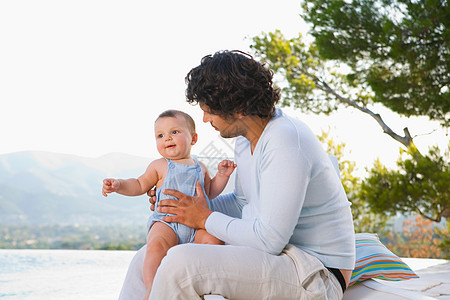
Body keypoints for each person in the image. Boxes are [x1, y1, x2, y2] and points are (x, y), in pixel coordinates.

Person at [118, 50, 355, 300]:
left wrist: (204, 216)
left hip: (316, 271)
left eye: (210, 110)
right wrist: (183, 207)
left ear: (239, 107)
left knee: (180, 263)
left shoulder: (285, 141)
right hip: (282, 256)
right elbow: (243, 203)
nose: (205, 118)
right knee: (146, 256)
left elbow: (270, 239)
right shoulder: (245, 140)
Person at [102, 109, 236, 299]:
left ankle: (210, 286)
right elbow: (139, 184)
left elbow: (210, 192)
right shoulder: (159, 165)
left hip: (197, 225)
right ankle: (152, 288)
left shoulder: (201, 167)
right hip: (166, 222)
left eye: (175, 132)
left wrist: (221, 176)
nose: (167, 138)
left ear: (194, 138)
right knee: (156, 245)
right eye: (160, 135)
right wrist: (119, 184)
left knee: (214, 241)